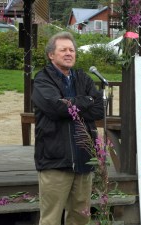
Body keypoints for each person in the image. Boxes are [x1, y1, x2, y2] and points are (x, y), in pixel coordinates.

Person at [31, 31, 104, 225]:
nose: (69, 53)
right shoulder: (42, 80)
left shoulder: (83, 78)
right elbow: (55, 108)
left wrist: (72, 106)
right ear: (51, 55)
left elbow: (99, 109)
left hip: (83, 158)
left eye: (71, 50)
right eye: (63, 49)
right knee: (51, 219)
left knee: (80, 217)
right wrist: (86, 100)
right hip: (55, 160)